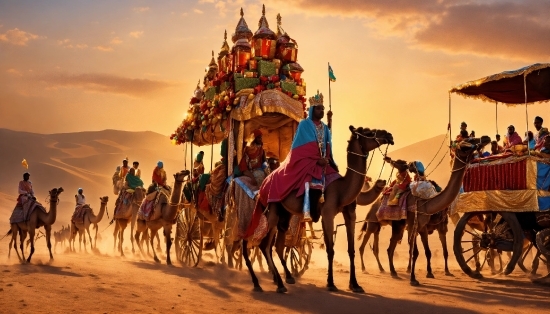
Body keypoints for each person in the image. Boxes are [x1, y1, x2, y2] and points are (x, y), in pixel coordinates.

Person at [255, 91, 339, 223]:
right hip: (308, 163)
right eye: (318, 108)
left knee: (336, 178)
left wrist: (329, 122)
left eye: (323, 108)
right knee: (312, 181)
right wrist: (317, 160)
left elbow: (327, 142)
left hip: (323, 162)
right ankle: (309, 210)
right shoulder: (305, 124)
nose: (321, 111)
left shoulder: (324, 127)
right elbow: (302, 148)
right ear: (312, 110)